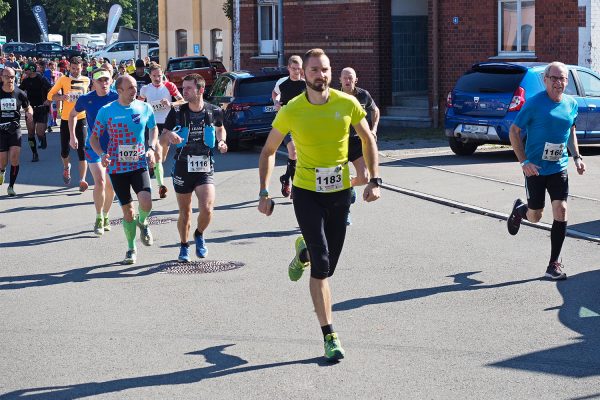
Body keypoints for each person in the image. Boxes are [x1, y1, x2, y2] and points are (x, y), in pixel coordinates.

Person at [258, 49, 382, 361]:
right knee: (323, 267)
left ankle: (302, 252)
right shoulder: (292, 109)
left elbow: (368, 139)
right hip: (306, 193)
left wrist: (375, 179)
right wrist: (264, 191)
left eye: (325, 70)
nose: (320, 75)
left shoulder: (347, 103)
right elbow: (269, 150)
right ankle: (330, 335)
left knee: (328, 262)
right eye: (315, 70)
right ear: (305, 74)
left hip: (340, 193)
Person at [506, 61, 586, 280]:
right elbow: (514, 131)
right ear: (545, 80)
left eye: (563, 79)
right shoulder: (533, 104)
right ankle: (520, 210)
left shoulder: (571, 104)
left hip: (558, 167)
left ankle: (554, 263)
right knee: (535, 216)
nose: (559, 83)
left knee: (561, 211)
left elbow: (570, 130)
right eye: (554, 78)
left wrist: (577, 157)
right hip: (535, 169)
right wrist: (524, 162)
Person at [90, 74, 159, 264]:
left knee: (146, 203)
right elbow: (93, 138)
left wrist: (151, 148)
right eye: (129, 88)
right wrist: (102, 154)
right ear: (118, 91)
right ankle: (131, 248)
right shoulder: (106, 111)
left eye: (135, 87)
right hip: (117, 167)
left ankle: (143, 222)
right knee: (128, 211)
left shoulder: (145, 107)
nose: (134, 90)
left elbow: (153, 128)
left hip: (138, 163)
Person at [161, 74, 228, 261]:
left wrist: (221, 142)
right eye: (183, 88)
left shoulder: (213, 111)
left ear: (201, 90)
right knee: (185, 212)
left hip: (205, 166)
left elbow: (220, 127)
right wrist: (169, 138)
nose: (184, 91)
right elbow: (162, 137)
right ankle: (184, 245)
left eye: (189, 88)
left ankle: (199, 234)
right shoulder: (177, 113)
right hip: (183, 167)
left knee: (207, 208)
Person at [70, 68, 118, 235]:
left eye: (106, 80)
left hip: (113, 147)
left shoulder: (117, 96)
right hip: (94, 145)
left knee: (111, 185)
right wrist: (72, 136)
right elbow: (72, 114)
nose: (104, 83)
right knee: (100, 182)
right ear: (94, 83)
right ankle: (98, 217)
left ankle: (106, 215)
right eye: (100, 80)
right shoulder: (86, 99)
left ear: (111, 81)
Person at [339, 67, 380, 225]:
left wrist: (373, 129)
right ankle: (345, 211)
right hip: (339, 143)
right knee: (337, 182)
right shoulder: (334, 96)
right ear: (340, 80)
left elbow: (375, 110)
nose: (348, 81)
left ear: (356, 80)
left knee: (364, 178)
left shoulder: (363, 95)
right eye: (345, 78)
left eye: (350, 78)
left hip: (357, 141)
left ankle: (349, 187)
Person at [139, 62, 183, 199]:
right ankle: (161, 186)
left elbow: (182, 101)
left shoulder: (169, 86)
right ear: (150, 76)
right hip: (152, 125)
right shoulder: (145, 89)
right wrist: (144, 107)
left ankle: (153, 167)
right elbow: (138, 104)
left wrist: (170, 104)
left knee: (162, 158)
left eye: (159, 75)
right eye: (154, 76)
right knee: (158, 155)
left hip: (167, 125)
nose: (157, 78)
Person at [47, 56, 90, 190]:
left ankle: (82, 180)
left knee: (82, 149)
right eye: (73, 68)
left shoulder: (86, 80)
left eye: (78, 68)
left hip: (81, 117)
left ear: (82, 68)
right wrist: (61, 97)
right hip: (66, 119)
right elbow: (50, 95)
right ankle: (66, 167)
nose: (76, 71)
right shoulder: (63, 80)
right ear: (69, 68)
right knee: (65, 151)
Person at [271, 55, 305, 198]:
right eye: (294, 69)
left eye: (299, 69)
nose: (296, 72)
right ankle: (294, 187)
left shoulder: (305, 84)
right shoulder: (282, 82)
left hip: (302, 124)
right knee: (293, 151)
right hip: (285, 122)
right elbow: (274, 94)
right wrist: (276, 103)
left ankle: (285, 178)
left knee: (298, 155)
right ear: (288, 68)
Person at [0, 67, 33, 196]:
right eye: (7, 77)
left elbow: (28, 106)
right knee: (2, 161)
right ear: (2, 78)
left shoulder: (20, 93)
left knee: (14, 156)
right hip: (1, 130)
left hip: (15, 128)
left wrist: (29, 113)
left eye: (12, 77)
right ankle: (2, 171)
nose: (10, 79)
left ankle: (11, 186)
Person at [19, 62, 51, 161]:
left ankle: (42, 138)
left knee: (40, 132)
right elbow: (19, 91)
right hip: (30, 109)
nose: (25, 71)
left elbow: (52, 90)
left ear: (32, 69)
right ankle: (34, 153)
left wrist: (49, 100)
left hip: (42, 108)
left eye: (26, 69)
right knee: (31, 132)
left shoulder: (42, 79)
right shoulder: (26, 80)